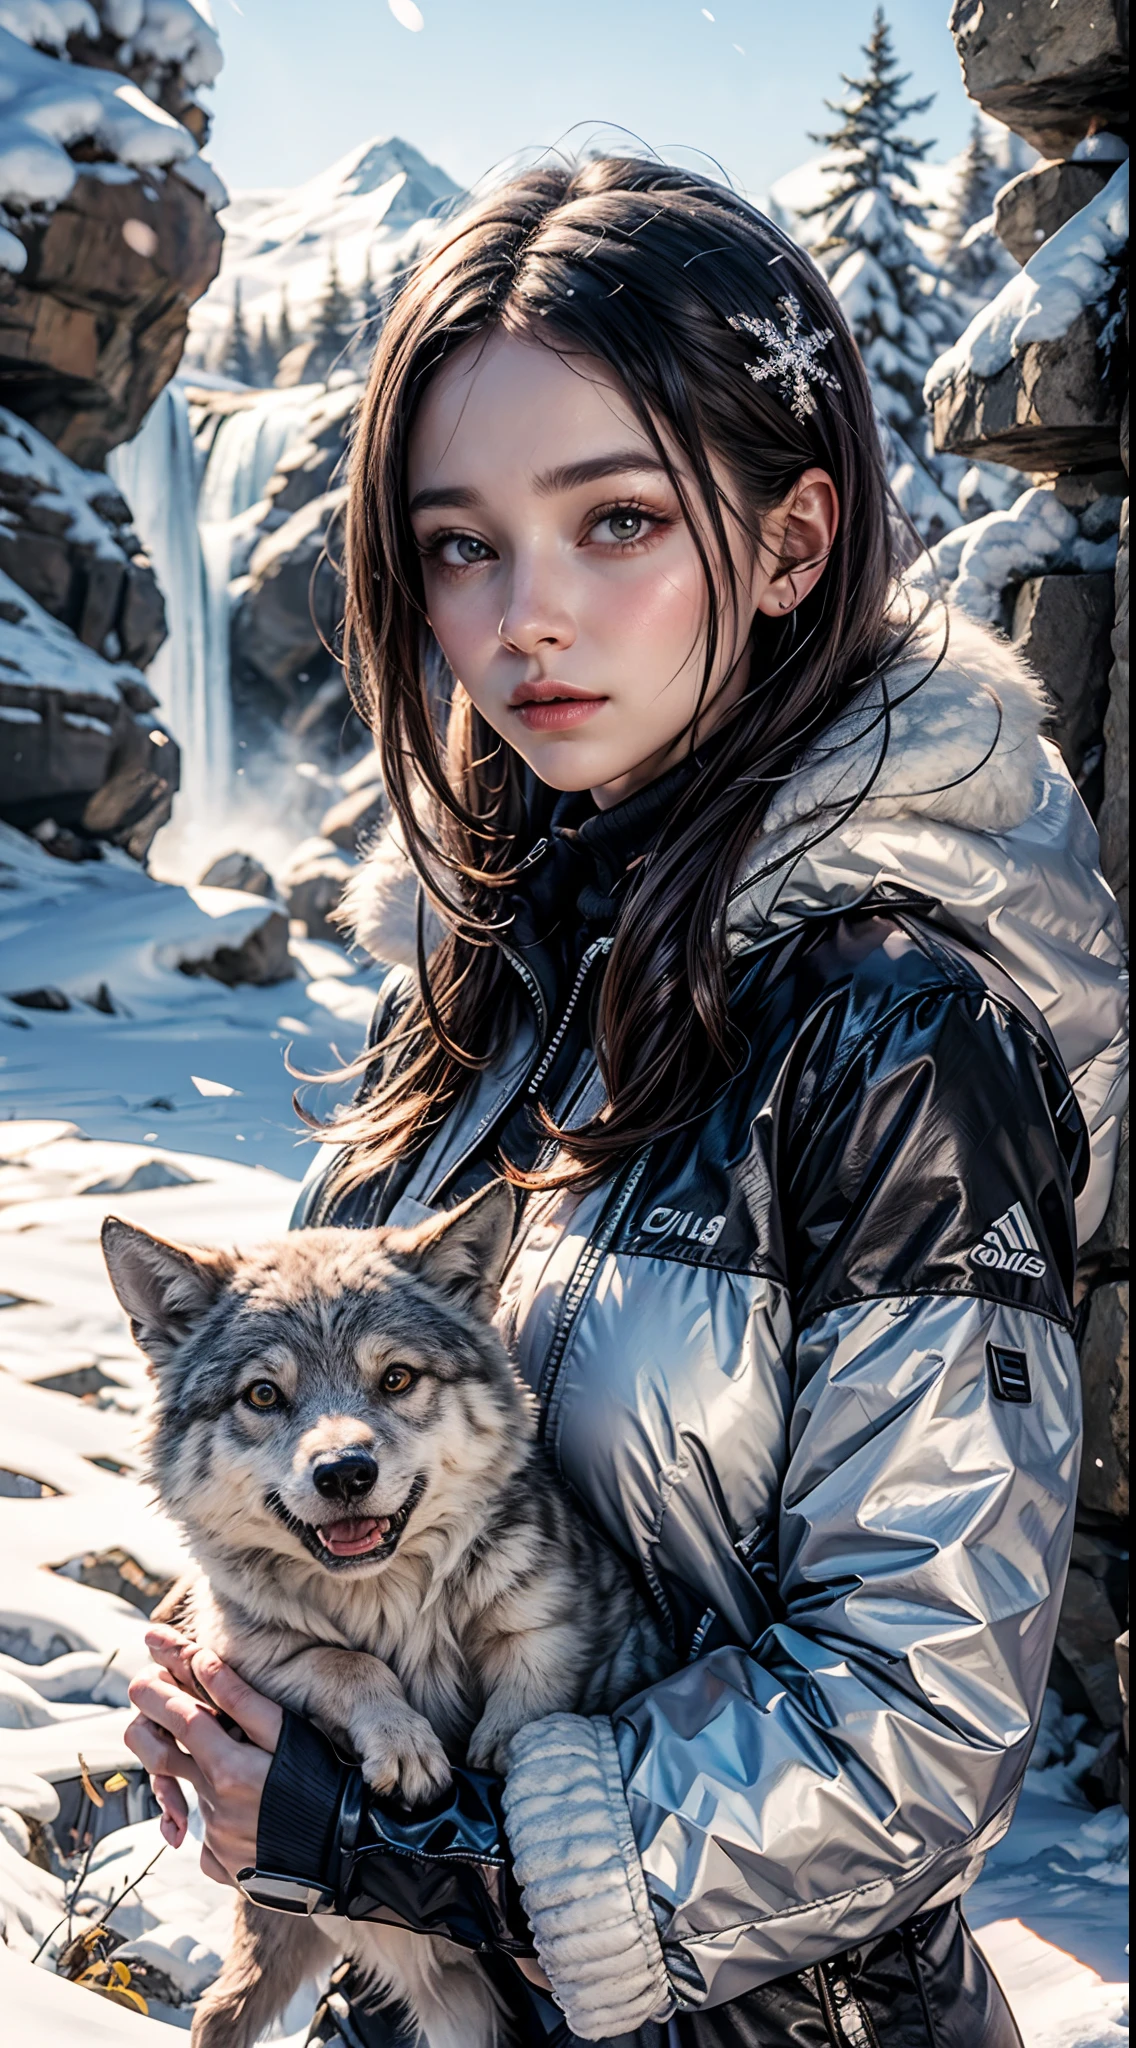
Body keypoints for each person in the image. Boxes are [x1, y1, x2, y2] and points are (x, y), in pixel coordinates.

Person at [126, 156, 1128, 2047]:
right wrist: (257, 1679)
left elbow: (920, 1721)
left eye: (615, 519)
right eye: (458, 543)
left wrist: (424, 1857)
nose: (527, 619)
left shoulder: (898, 1043)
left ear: (790, 540)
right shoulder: (503, 968)